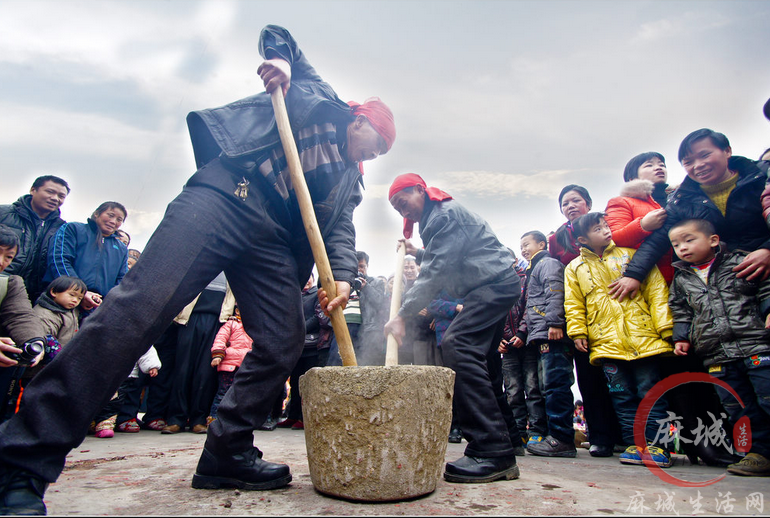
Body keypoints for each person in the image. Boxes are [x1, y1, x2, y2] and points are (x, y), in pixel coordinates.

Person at [0, 24, 394, 513]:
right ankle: (22, 460)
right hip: (227, 197)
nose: (376, 155)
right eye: (378, 143)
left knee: (282, 341)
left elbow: (340, 233)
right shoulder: (320, 96)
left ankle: (226, 452)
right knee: (141, 306)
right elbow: (280, 36)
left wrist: (341, 275)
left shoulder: (349, 180)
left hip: (272, 241)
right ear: (362, 121)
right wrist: (282, 64)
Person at [384, 173, 521, 484]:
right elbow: (442, 256)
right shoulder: (438, 217)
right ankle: (507, 440)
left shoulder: (443, 216)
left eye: (402, 201)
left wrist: (403, 314)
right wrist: (415, 251)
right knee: (484, 362)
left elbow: (434, 272)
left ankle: (491, 450)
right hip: (492, 285)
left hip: (493, 285)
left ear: (419, 190)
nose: (402, 210)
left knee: (457, 345)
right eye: (395, 207)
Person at [564, 212, 674, 468]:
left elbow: (656, 290)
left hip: (644, 338)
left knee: (650, 391)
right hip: (606, 344)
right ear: (582, 239)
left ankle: (658, 446)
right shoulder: (574, 268)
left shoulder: (630, 255)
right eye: (597, 228)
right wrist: (578, 332)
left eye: (605, 225)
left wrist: (666, 327)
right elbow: (574, 303)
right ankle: (633, 444)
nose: (605, 230)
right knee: (621, 395)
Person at [609, 128, 770, 302]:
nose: (698, 165)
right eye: (689, 162)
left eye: (705, 155)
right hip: (726, 282)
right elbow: (658, 240)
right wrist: (633, 274)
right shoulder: (682, 200)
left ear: (727, 151)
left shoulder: (762, 176)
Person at [668, 218, 770, 476]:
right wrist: (681, 337)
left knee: (767, 396)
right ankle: (758, 454)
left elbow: (765, 288)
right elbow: (681, 311)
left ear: (713, 240)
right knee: (737, 406)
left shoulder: (739, 262)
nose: (683, 248)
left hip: (755, 343)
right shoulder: (681, 278)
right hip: (716, 353)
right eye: (676, 244)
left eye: (689, 240)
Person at [550, 185, 622, 458]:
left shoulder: (605, 226)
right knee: (588, 378)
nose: (570, 206)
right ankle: (600, 436)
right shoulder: (557, 238)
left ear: (588, 203)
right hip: (580, 312)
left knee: (621, 377)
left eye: (575, 200)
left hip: (616, 309)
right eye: (564, 203)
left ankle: (625, 435)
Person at [518, 230, 576, 458]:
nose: (523, 249)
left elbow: (555, 292)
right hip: (541, 335)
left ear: (542, 244)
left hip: (553, 333)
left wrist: (555, 323)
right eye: (521, 245)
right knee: (546, 386)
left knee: (556, 385)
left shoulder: (549, 264)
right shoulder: (534, 269)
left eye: (527, 244)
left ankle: (562, 439)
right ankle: (554, 437)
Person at [162, 272, 233, 435]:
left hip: (218, 321)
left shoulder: (233, 263)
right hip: (189, 318)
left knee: (205, 372)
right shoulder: (204, 257)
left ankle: (198, 419)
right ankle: (176, 419)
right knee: (182, 369)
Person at [499, 250, 546, 457]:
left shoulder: (526, 278)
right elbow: (492, 314)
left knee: (533, 387)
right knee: (512, 390)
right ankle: (518, 432)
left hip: (526, 343)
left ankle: (536, 431)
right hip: (506, 346)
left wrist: (522, 333)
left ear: (514, 260)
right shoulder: (493, 284)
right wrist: (496, 339)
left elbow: (530, 307)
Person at [44, 201, 129, 315]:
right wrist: (80, 294)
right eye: (110, 215)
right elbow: (59, 259)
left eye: (119, 219)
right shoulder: (73, 229)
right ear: (96, 214)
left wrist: (103, 302)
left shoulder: (121, 249)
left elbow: (121, 279)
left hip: (94, 308)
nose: (113, 221)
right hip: (61, 300)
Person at [605, 152, 674, 283]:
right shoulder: (621, 202)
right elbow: (612, 239)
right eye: (649, 165)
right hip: (646, 278)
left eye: (662, 165)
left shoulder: (678, 198)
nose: (659, 168)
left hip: (685, 276)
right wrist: (642, 226)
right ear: (632, 178)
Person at [0, 225, 45, 422]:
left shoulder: (9, 283)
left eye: (9, 257)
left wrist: (35, 341)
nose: (2, 262)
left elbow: (21, 315)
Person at [0, 176, 69, 302]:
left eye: (61, 196)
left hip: (32, 296)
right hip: (3, 282)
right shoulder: (3, 214)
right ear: (33, 190)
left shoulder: (62, 229)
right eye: (50, 191)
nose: (55, 198)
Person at [279, 274, 326, 429]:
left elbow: (316, 317)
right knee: (295, 382)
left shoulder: (316, 294)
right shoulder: (294, 294)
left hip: (311, 345)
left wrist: (299, 328)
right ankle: (293, 415)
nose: (306, 280)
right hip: (295, 346)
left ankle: (304, 418)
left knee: (307, 384)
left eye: (309, 277)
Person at [208, 304, 251, 424]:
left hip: (246, 365)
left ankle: (236, 420)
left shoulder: (254, 327)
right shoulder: (231, 324)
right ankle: (215, 417)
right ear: (237, 311)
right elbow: (220, 339)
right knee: (224, 392)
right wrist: (217, 355)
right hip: (229, 365)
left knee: (243, 394)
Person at [353, 251, 388, 366]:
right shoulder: (346, 283)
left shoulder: (376, 282)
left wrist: (365, 287)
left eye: (362, 266)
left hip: (370, 331)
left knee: (370, 365)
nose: (359, 270)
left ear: (367, 266)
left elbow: (379, 302)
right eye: (357, 266)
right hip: (352, 330)